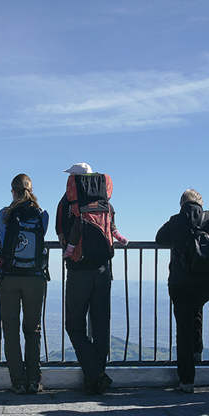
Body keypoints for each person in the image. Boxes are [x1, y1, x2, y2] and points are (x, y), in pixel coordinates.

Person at [57, 163, 128, 395]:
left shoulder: (67, 202)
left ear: (74, 180)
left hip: (78, 271)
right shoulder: (106, 201)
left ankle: (96, 374)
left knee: (74, 326)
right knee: (100, 326)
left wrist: (69, 249)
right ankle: (95, 378)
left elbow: (61, 233)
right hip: (103, 270)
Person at [156, 189, 209, 393]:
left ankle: (187, 381)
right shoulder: (208, 218)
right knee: (197, 310)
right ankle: (197, 351)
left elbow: (159, 237)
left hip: (181, 283)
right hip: (206, 283)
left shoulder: (176, 220)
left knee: (183, 330)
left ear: (182, 203)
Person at [0, 174, 49, 395]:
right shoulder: (42, 216)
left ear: (13, 191)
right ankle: (34, 381)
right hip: (35, 277)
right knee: (32, 329)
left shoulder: (4, 215)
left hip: (9, 276)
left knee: (10, 329)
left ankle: (17, 381)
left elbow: (0, 237)